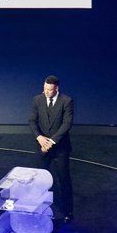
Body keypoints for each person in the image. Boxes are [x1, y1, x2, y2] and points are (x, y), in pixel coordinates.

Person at [28, 75, 74, 222]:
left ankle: (67, 212)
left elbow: (66, 124)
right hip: (41, 145)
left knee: (63, 180)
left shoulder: (66, 101)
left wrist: (51, 141)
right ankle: (38, 209)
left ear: (56, 89)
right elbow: (32, 120)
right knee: (39, 179)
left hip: (60, 148)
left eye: (49, 89)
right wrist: (39, 138)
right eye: (45, 88)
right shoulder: (37, 100)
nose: (46, 92)